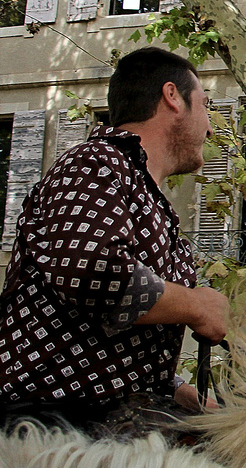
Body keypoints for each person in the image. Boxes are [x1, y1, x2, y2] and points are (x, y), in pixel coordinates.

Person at [0, 47, 229, 427]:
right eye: (204, 105)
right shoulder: (96, 162)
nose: (209, 127)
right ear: (172, 97)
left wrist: (174, 390)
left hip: (111, 427)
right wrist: (196, 305)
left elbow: (100, 340)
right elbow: (89, 272)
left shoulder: (142, 195)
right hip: (50, 429)